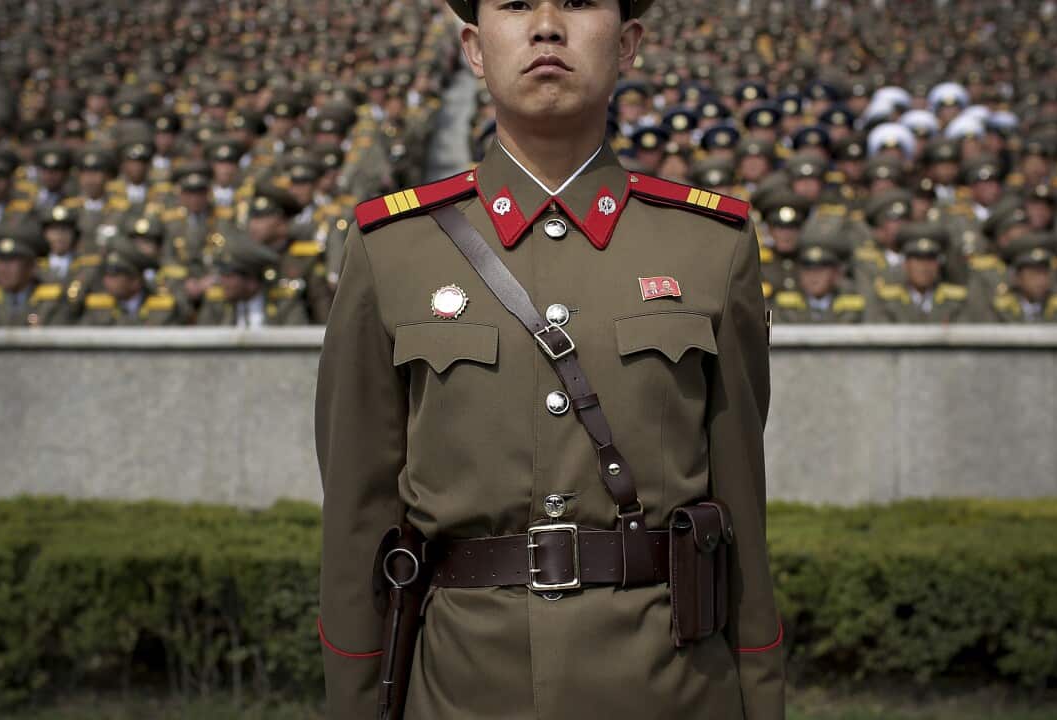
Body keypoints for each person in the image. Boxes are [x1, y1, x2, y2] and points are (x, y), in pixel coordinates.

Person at [315, 1, 784, 719]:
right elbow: (357, 519)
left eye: (575, 3)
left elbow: (743, 516)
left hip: (671, 687)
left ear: (628, 44)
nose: (545, 27)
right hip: (462, 686)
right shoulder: (392, 249)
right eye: (514, 6)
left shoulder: (710, 246)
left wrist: (761, 696)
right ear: (474, 48)